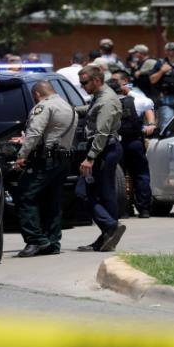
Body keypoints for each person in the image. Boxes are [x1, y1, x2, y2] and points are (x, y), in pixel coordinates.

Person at [13, 81, 77, 257]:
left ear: (37, 94)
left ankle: (36, 240)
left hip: (46, 161)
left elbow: (34, 133)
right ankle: (52, 242)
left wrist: (22, 155)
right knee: (52, 201)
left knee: (25, 195)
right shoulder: (69, 107)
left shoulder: (43, 106)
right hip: (63, 160)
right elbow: (54, 133)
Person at [74, 64, 126, 252]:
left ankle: (110, 226)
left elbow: (102, 132)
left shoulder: (107, 101)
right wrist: (72, 110)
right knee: (105, 194)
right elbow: (91, 110)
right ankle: (108, 234)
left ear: (96, 80)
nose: (82, 87)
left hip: (103, 150)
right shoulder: (99, 97)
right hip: (103, 149)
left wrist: (90, 157)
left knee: (83, 192)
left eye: (84, 83)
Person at [108, 76, 152, 218]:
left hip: (115, 144)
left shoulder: (106, 103)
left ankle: (123, 210)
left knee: (117, 177)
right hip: (134, 142)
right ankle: (144, 209)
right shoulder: (136, 101)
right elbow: (149, 104)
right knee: (140, 174)